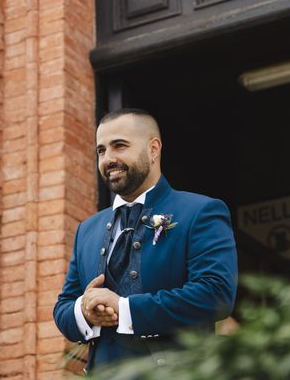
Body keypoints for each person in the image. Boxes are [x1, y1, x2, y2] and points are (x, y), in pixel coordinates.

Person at [54, 108, 238, 370]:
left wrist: (125, 309)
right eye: (101, 150)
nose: (108, 159)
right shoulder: (87, 230)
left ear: (153, 149)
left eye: (119, 146)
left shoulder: (200, 211)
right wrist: (84, 311)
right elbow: (63, 306)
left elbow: (215, 294)